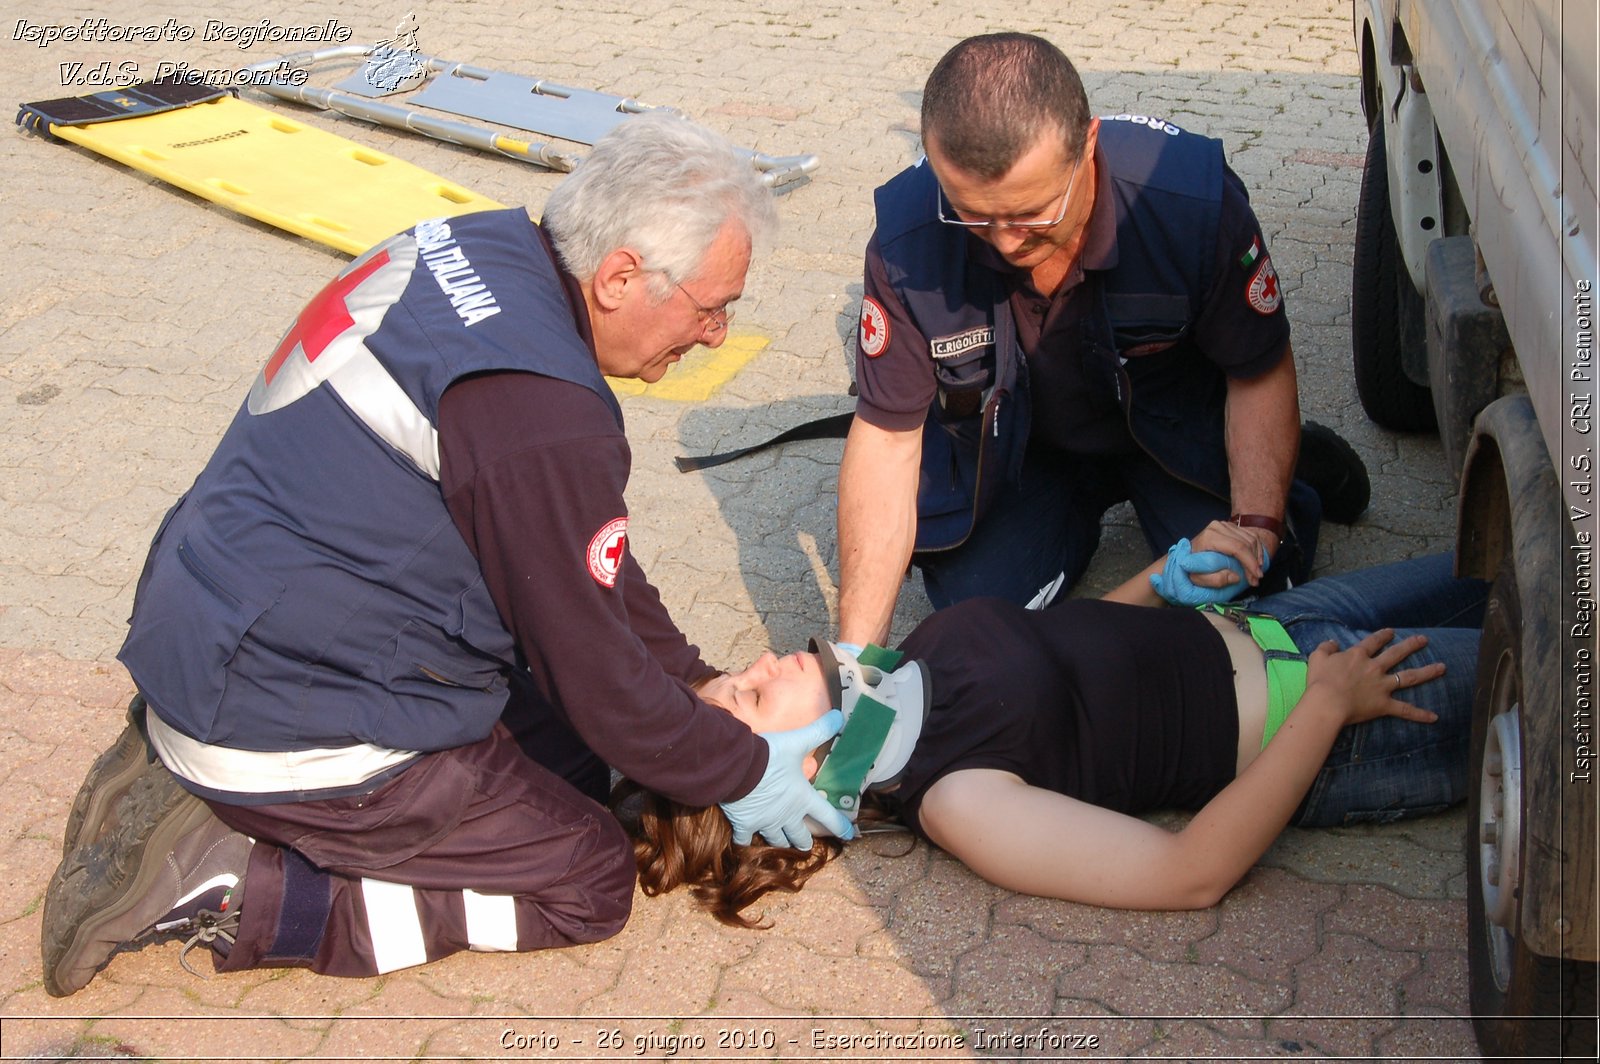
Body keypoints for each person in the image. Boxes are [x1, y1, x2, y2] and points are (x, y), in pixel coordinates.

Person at [41, 114, 851, 997]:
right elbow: (599, 681)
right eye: (712, 307)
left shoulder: (476, 246)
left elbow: (588, 563)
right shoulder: (541, 415)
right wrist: (742, 767)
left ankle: (200, 774)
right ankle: (233, 877)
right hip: (275, 718)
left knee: (573, 768)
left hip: (213, 638)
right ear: (620, 277)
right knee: (584, 872)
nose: (718, 336)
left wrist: (694, 684)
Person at [621, 525, 1486, 925]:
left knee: (1535, 541)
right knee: (1572, 643)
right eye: (754, 699)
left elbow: (1067, 675)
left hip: (1293, 621)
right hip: (1347, 722)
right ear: (794, 779)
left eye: (736, 680)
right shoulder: (959, 803)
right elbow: (1192, 873)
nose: (760, 666)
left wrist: (1162, 578)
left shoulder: (901, 684)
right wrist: (1329, 708)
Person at [836, 32, 1348, 648]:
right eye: (972, 214)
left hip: (1172, 428)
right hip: (1021, 451)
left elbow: (1258, 368)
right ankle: (1081, 510)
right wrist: (855, 660)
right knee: (975, 621)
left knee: (1242, 590)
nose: (1003, 242)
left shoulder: (1190, 205)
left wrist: (1258, 523)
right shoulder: (908, 239)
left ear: (1089, 145)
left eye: (1033, 213)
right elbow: (887, 441)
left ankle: (1282, 461)